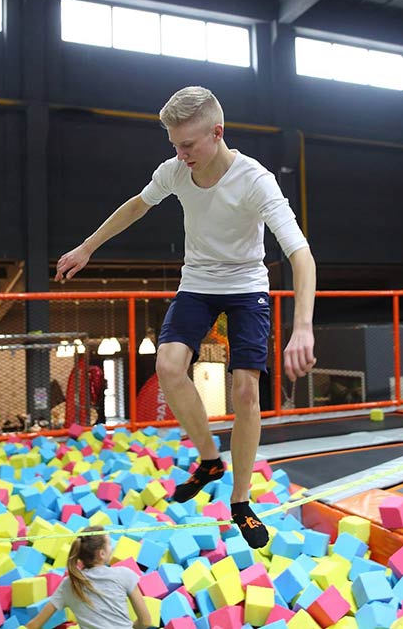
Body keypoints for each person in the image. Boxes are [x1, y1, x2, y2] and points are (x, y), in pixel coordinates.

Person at [54, 86, 316, 548]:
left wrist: (304, 327)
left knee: (245, 389)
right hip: (197, 281)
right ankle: (210, 459)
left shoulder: (255, 180)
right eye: (174, 145)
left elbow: (300, 254)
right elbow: (137, 205)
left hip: (245, 285)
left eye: (188, 145)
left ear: (217, 133)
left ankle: (240, 501)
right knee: (169, 366)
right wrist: (87, 246)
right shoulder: (175, 171)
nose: (180, 154)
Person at [26, 528, 151, 629]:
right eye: (109, 544)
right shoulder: (124, 574)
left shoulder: (69, 584)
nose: (112, 547)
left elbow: (34, 625)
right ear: (101, 554)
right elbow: (145, 622)